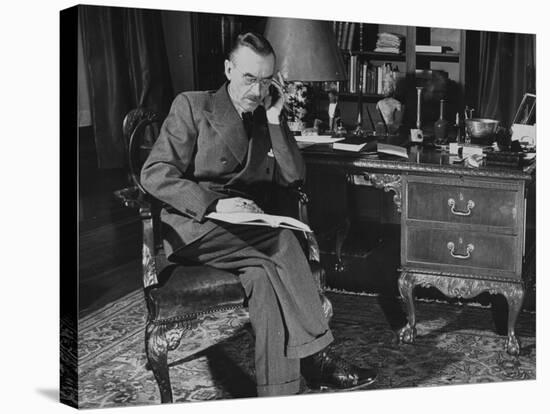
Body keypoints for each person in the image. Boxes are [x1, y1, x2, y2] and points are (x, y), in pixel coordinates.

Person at [141, 32, 377, 397]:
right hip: (197, 226)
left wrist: (273, 119)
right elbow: (154, 172)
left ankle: (278, 392)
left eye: (266, 80)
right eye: (249, 78)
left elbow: (294, 175)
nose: (256, 89)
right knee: (282, 242)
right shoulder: (192, 105)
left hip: (248, 229)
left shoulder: (266, 113)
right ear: (228, 68)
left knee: (264, 279)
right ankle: (319, 357)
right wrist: (214, 204)